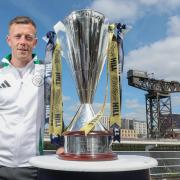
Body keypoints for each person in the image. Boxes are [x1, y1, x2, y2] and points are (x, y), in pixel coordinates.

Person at [0, 16, 63, 180]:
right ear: (9, 40)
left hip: (33, 166)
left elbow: (56, 110)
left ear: (35, 42)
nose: (23, 42)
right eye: (18, 36)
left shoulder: (46, 72)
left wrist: (62, 144)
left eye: (28, 38)